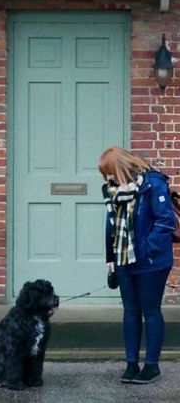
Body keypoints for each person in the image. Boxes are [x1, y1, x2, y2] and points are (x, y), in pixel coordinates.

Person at [98, 146, 176, 384]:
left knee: (150, 311)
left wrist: (146, 250)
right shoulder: (114, 191)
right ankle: (131, 364)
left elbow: (165, 221)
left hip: (151, 261)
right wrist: (111, 259)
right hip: (124, 260)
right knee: (131, 311)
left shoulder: (153, 184)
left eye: (109, 172)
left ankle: (151, 365)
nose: (107, 178)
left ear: (120, 167)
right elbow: (111, 225)